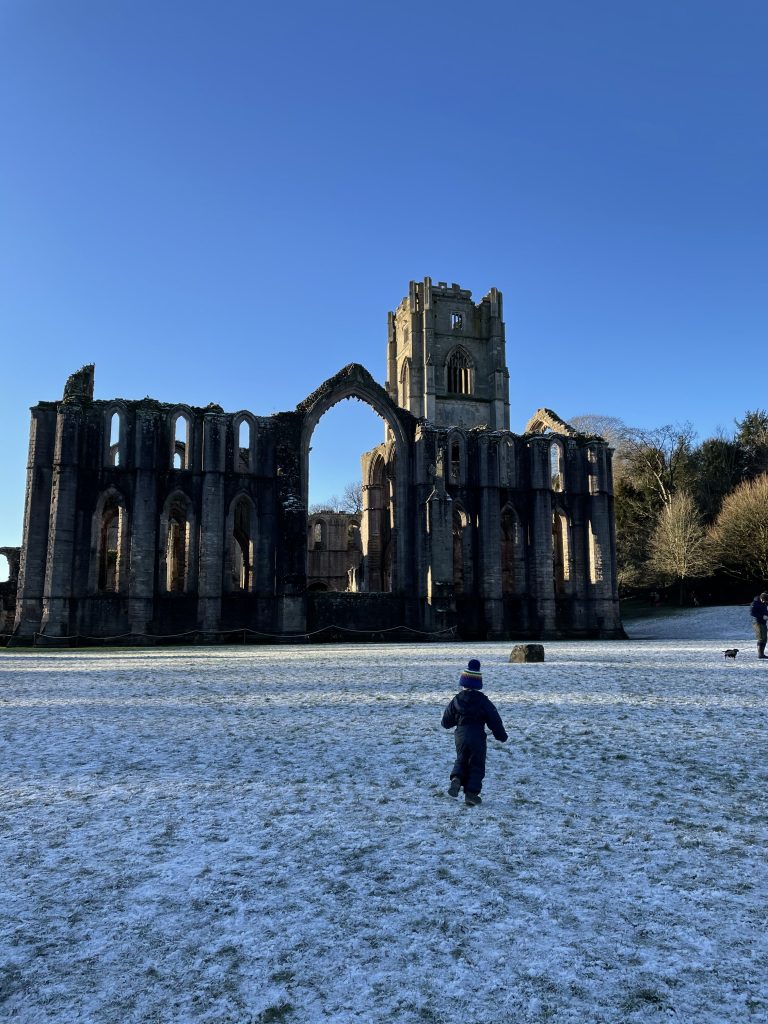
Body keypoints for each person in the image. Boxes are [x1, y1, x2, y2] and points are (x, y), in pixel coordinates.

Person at [441, 658, 508, 806]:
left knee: (461, 759)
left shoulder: (456, 700)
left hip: (460, 736)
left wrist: (454, 721)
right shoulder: (483, 701)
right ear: (478, 684)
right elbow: (494, 719)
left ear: (463, 683)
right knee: (476, 764)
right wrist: (501, 735)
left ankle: (456, 779)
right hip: (477, 736)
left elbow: (446, 722)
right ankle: (471, 794)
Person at [750, 592, 768, 659]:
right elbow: (752, 613)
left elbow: (766, 612)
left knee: (765, 638)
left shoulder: (764, 603)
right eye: (764, 600)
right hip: (757, 623)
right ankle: (760, 654)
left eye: (765, 601)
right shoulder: (755, 603)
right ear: (761, 598)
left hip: (763, 623)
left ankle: (762, 654)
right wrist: (762, 616)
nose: (764, 602)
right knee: (761, 638)